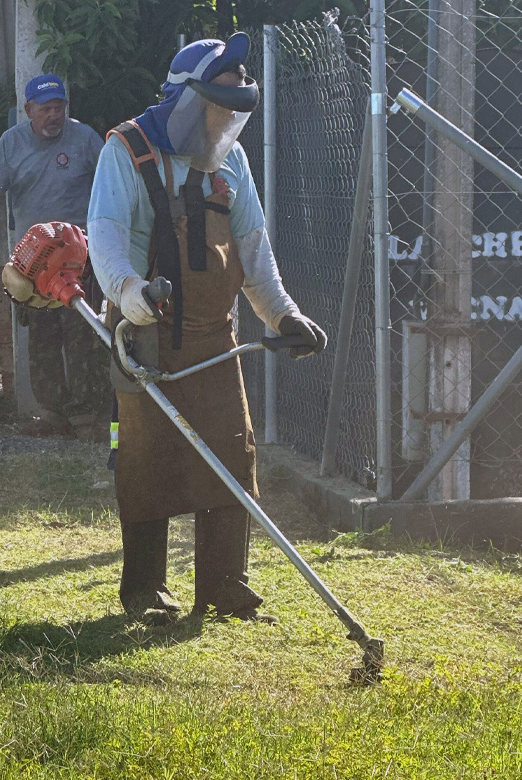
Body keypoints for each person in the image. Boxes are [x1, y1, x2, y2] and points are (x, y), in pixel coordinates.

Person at [84, 34, 327, 625]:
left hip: (217, 339)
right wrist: (131, 295)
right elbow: (107, 235)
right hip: (143, 334)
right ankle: (145, 592)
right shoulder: (127, 150)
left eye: (237, 112)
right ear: (191, 102)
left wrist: (283, 315)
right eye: (221, 109)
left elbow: (254, 255)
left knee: (230, 456)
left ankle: (224, 587)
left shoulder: (232, 162)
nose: (228, 124)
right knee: (145, 459)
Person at [0, 73, 107, 438]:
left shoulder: (85, 139)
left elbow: (110, 184)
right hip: (33, 260)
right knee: (41, 336)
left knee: (83, 332)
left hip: (80, 255)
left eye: (59, 108)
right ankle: (53, 414)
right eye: (46, 109)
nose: (55, 116)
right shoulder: (10, 143)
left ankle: (87, 417)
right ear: (28, 110)